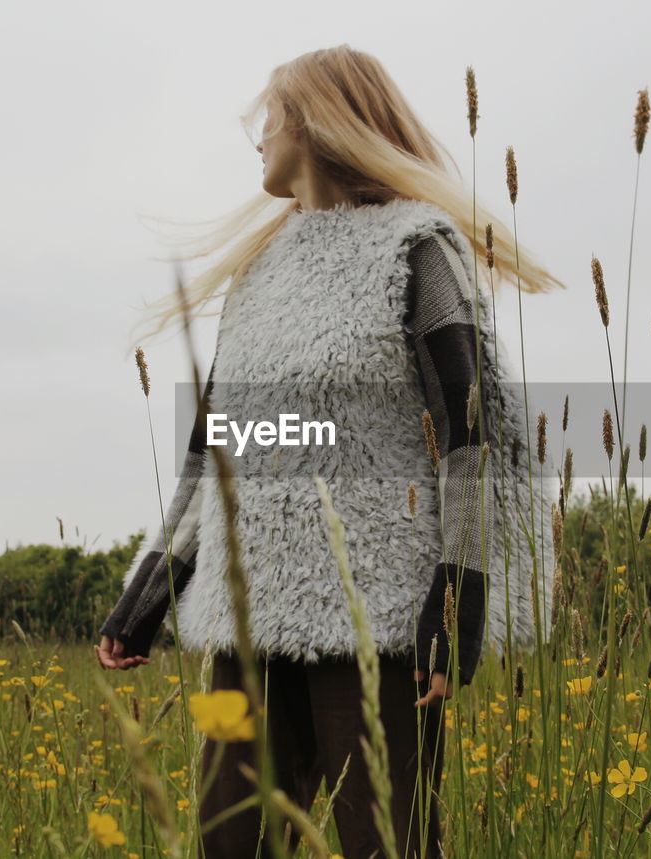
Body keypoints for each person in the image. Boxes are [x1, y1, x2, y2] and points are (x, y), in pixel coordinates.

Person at [97, 45, 564, 859]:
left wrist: (456, 598)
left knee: (388, 845)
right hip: (248, 630)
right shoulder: (259, 273)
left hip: (376, 624)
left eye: (268, 117)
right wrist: (151, 589)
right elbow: (219, 455)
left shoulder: (416, 250)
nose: (258, 137)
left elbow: (471, 434)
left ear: (314, 121)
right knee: (228, 843)